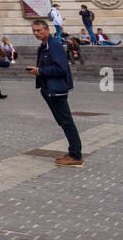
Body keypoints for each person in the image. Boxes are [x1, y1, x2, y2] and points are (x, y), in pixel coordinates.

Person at [28, 18, 82, 166]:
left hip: (56, 89)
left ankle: (76, 156)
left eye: (39, 30)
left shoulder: (54, 46)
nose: (36, 33)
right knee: (63, 122)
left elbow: (61, 68)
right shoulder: (44, 47)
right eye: (34, 31)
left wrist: (39, 71)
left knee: (66, 122)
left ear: (47, 30)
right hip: (49, 89)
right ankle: (74, 152)